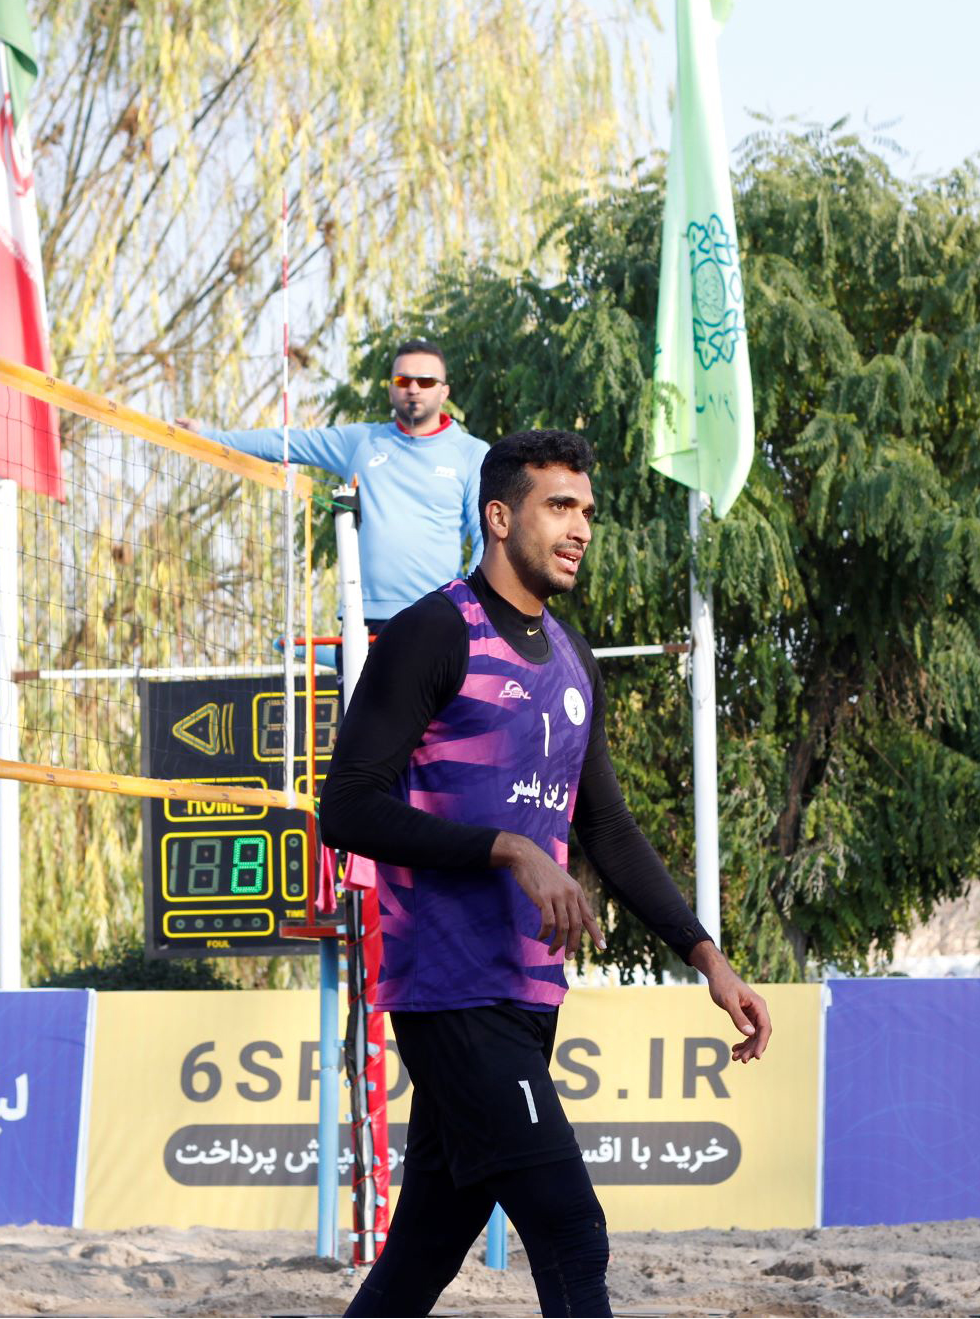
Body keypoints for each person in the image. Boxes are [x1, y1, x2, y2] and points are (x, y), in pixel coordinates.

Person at [319, 429, 772, 1318]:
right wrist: (510, 847)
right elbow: (348, 807)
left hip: (528, 989)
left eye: (587, 510)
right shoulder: (432, 631)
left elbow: (606, 828)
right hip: (450, 989)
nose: (581, 528)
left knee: (424, 1250)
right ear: (499, 516)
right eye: (559, 506)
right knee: (570, 1227)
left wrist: (706, 954)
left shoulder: (572, 657)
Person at [199, 339, 489, 637]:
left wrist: (468, 604)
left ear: (444, 392)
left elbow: (486, 538)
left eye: (425, 381)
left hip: (439, 615)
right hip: (363, 619)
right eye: (403, 380)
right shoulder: (361, 442)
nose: (413, 388)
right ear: (391, 389)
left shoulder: (471, 453)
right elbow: (285, 443)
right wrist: (205, 437)